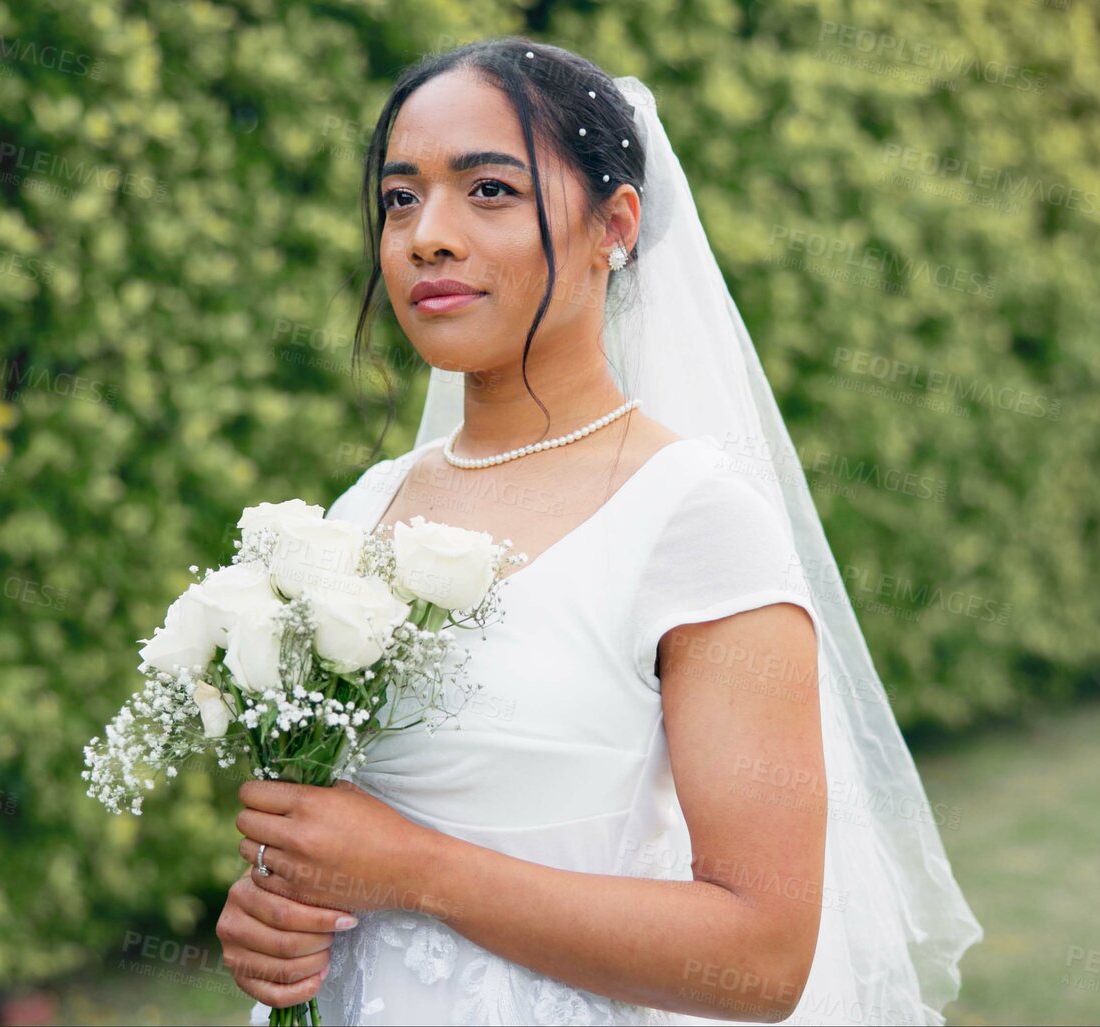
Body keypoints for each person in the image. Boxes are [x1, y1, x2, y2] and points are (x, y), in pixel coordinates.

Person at [218, 36, 982, 1026]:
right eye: (401, 198)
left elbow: (761, 956)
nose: (426, 237)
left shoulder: (693, 518)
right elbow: (343, 845)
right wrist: (273, 916)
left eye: (488, 190)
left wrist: (413, 871)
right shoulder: (365, 503)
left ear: (614, 225)